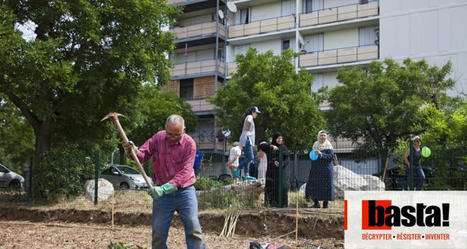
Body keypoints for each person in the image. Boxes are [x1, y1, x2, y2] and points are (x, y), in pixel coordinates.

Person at [123, 114, 206, 249]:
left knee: (193, 227)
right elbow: (142, 156)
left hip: (185, 191)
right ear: (165, 129)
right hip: (162, 195)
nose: (172, 137)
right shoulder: (158, 138)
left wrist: (165, 188)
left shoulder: (189, 144)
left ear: (183, 131)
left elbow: (185, 172)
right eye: (169, 134)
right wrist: (132, 151)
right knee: (158, 232)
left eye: (176, 134)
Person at [305, 130, 335, 209]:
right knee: (314, 185)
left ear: (326, 137)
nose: (323, 137)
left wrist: (321, 154)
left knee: (326, 186)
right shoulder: (315, 145)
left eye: (324, 136)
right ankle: (316, 203)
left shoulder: (329, 146)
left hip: (326, 170)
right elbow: (312, 157)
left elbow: (330, 157)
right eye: (321, 135)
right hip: (316, 169)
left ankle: (325, 205)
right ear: (318, 136)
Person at [259, 132, 289, 208]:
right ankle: (270, 204)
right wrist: (271, 146)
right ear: (275, 139)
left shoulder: (284, 148)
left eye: (281, 138)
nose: (280, 140)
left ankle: (283, 205)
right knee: (271, 187)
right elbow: (261, 145)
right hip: (271, 172)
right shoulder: (270, 147)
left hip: (281, 172)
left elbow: (287, 159)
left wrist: (281, 164)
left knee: (283, 187)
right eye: (278, 138)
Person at [238, 106, 261, 179]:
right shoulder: (250, 116)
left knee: (247, 157)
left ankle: (246, 174)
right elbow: (248, 121)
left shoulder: (249, 117)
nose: (257, 114)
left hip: (245, 139)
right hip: (247, 140)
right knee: (251, 157)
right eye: (256, 113)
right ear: (252, 112)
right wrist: (247, 127)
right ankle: (237, 167)